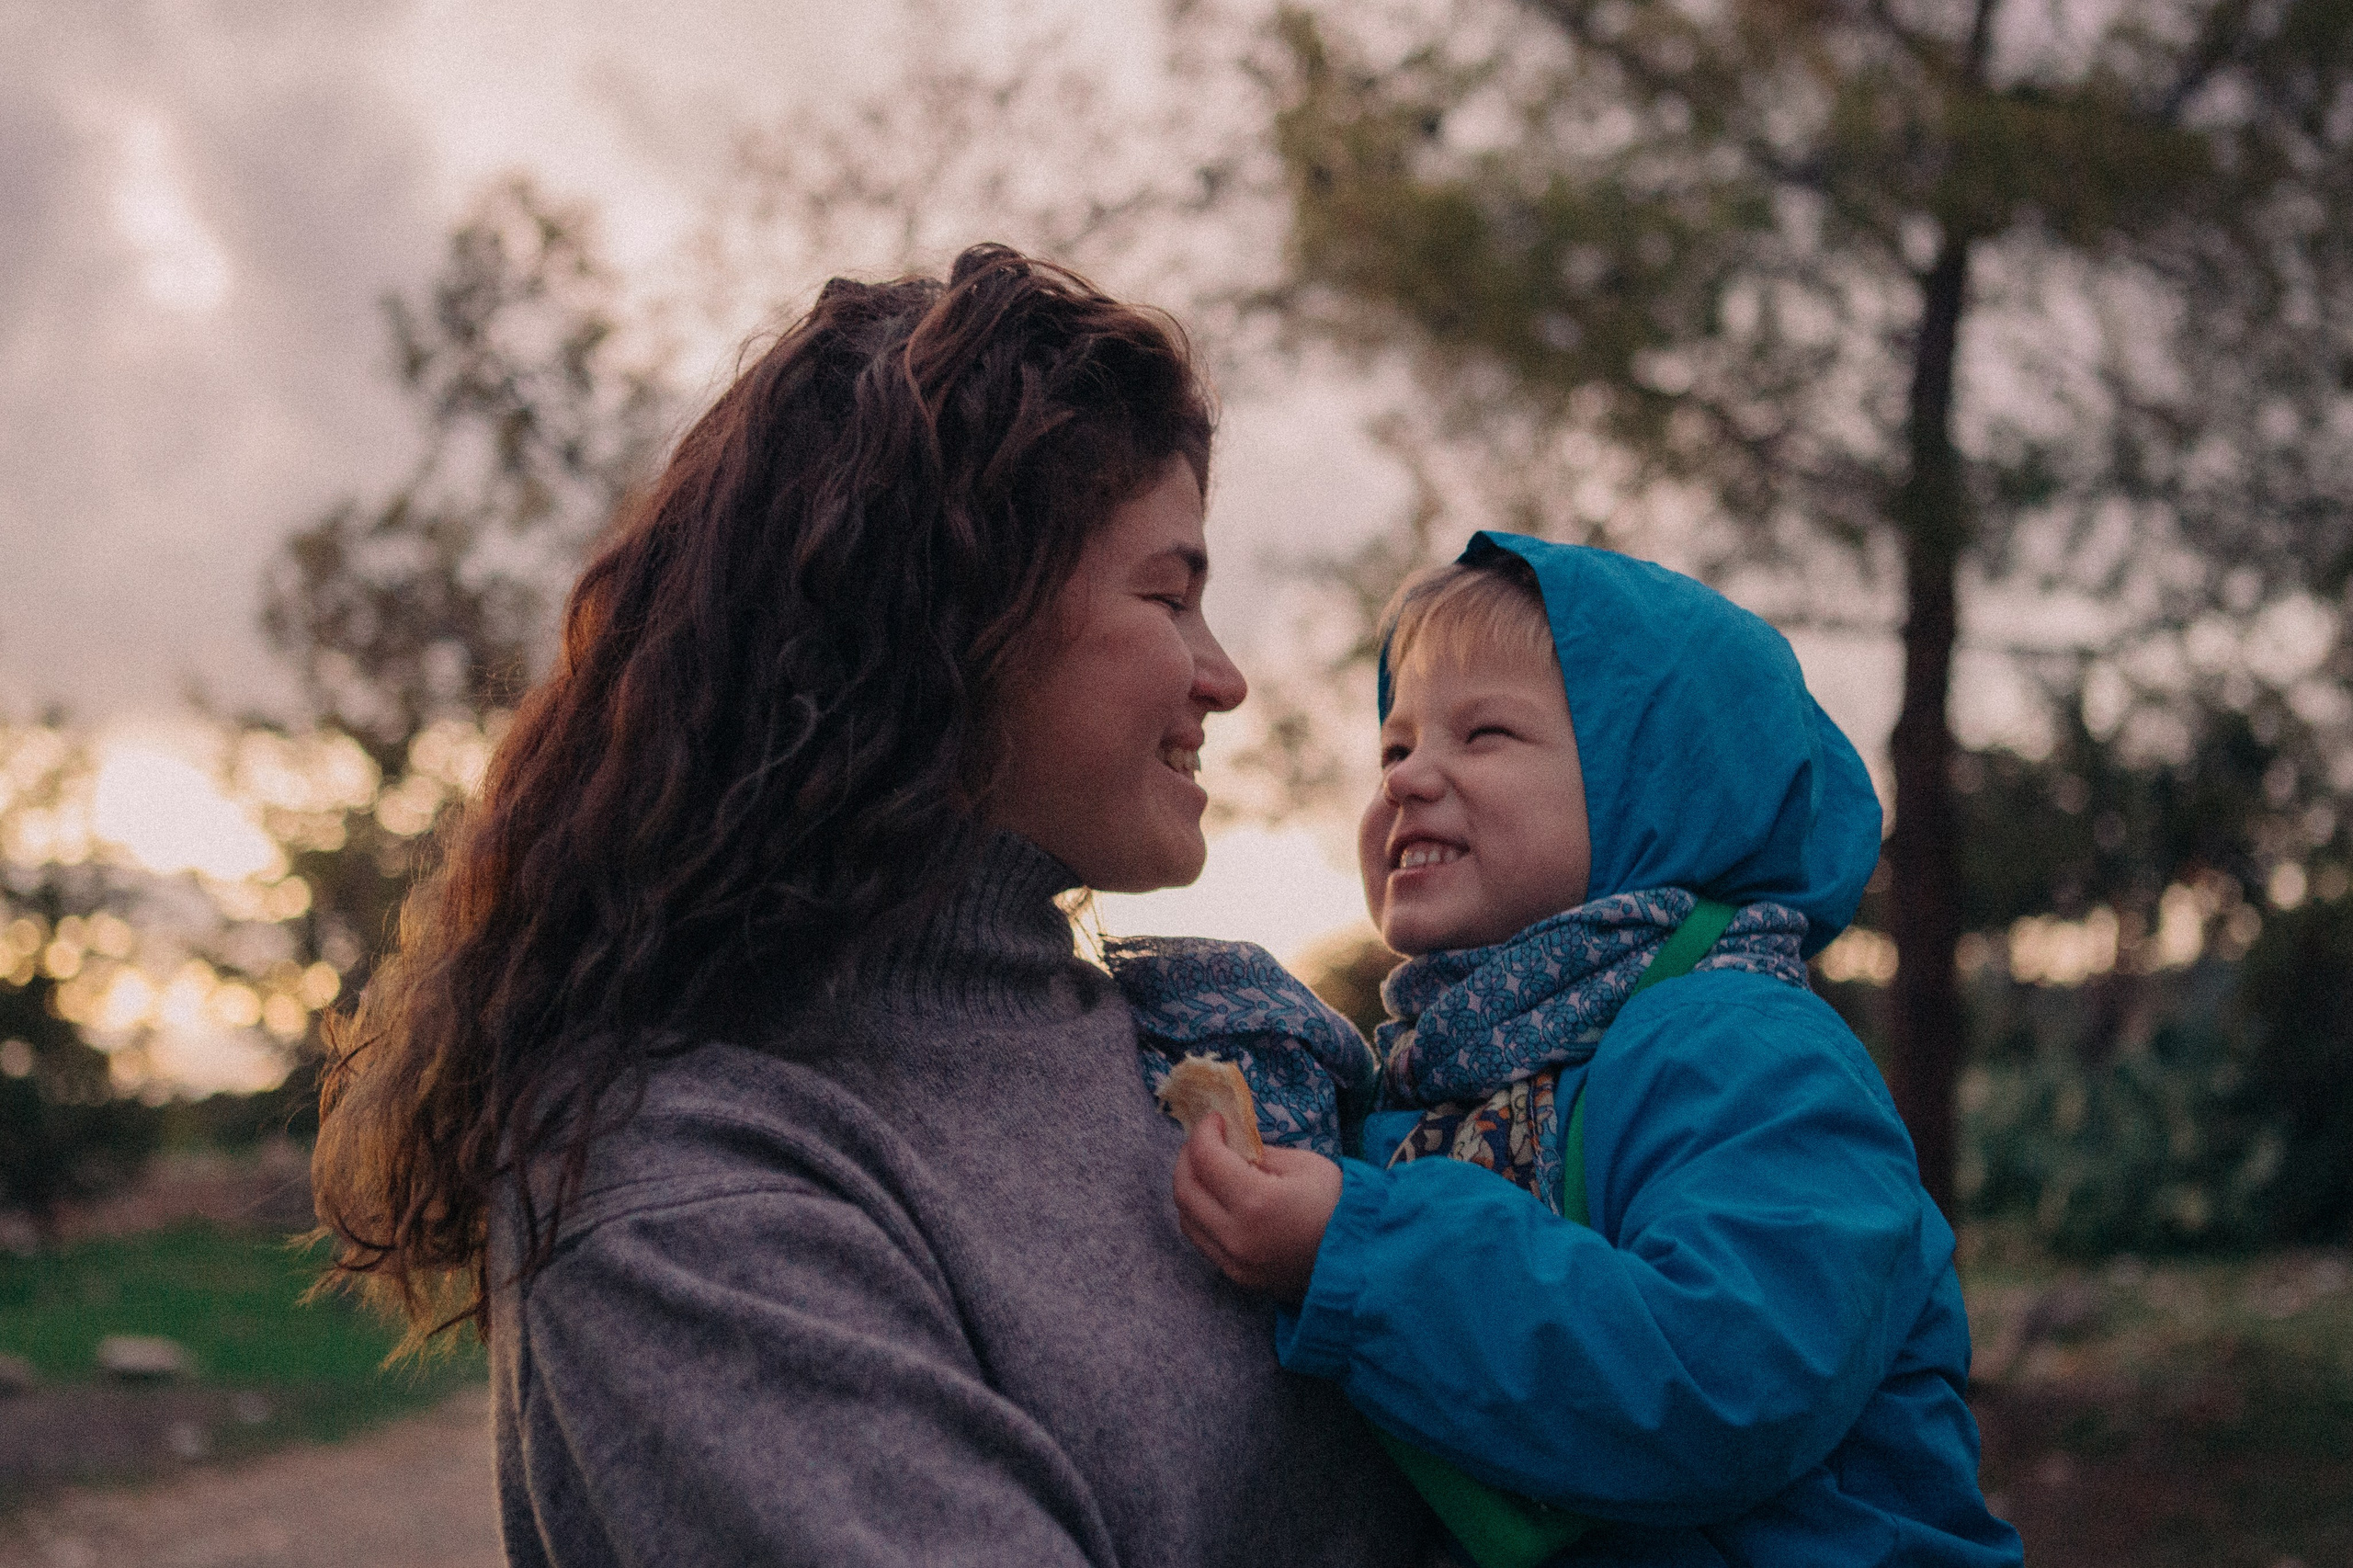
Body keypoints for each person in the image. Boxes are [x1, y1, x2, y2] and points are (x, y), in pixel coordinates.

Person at [308, 245, 1438, 1568]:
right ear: (958, 611)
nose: (1223, 675)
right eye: (1168, 594)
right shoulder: (683, 1181)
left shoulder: (1186, 1040)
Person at [1165, 533, 2025, 1566]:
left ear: (1659, 787)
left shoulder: (1756, 1054)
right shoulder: (1436, 1084)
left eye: (1483, 734)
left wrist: (1360, 1255)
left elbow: (1722, 1384)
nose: (1407, 778)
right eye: (1393, 749)